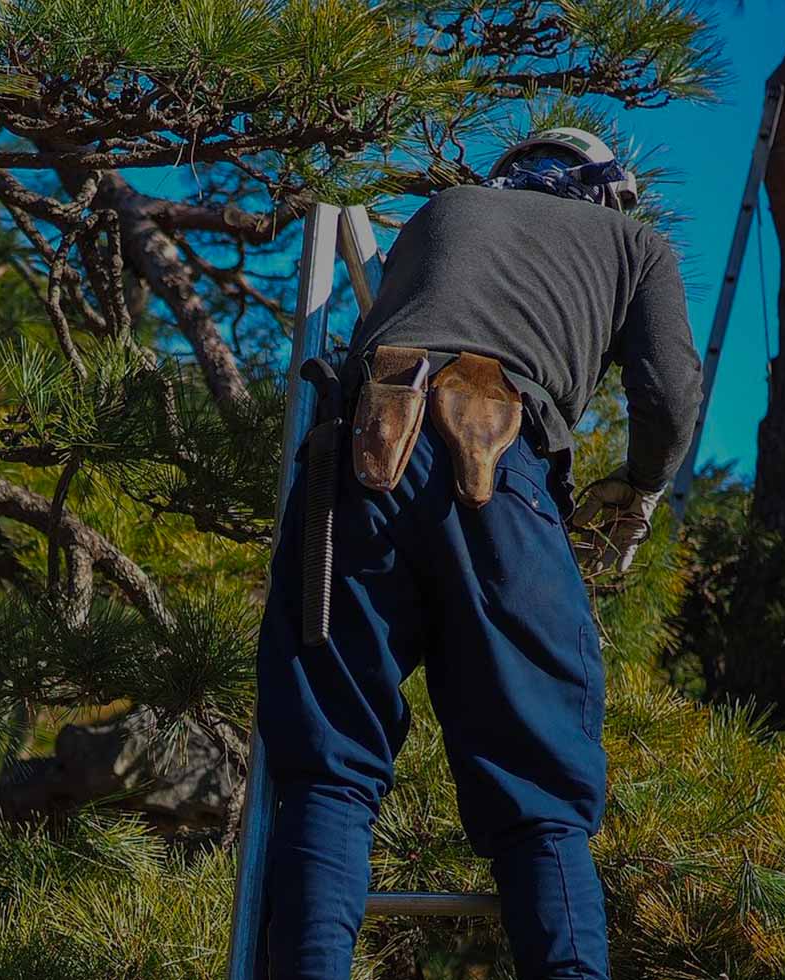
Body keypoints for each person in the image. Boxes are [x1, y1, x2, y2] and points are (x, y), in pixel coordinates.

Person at [254, 128, 701, 979]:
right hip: (499, 468)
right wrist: (639, 486)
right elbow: (671, 394)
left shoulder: (438, 213)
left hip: (357, 462)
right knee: (542, 796)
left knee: (329, 770)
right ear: (607, 192)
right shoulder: (637, 243)